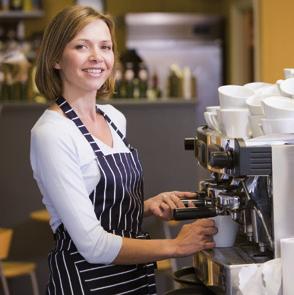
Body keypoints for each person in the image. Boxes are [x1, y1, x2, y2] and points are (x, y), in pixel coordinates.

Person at [30, 5, 217, 295]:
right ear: (56, 58)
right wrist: (175, 246)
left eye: (105, 47)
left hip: (134, 277)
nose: (97, 57)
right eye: (81, 46)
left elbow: (96, 212)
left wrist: (144, 207)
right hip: (88, 283)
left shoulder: (113, 118)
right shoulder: (52, 133)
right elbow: (91, 243)